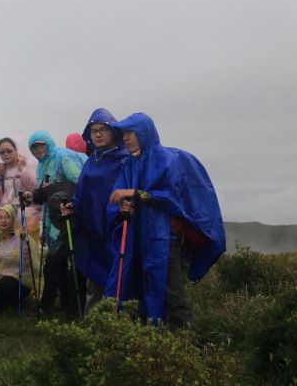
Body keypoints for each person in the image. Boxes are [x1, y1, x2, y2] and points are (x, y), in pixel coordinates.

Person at [107, 113, 225, 329]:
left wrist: (135, 193)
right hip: (137, 235)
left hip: (163, 237)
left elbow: (171, 198)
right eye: (123, 133)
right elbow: (119, 195)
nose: (125, 138)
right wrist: (125, 204)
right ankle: (151, 335)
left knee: (170, 289)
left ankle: (187, 340)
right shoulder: (129, 163)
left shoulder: (166, 160)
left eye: (130, 132)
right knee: (140, 285)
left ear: (144, 132)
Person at [60, 109, 130, 312]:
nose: (98, 134)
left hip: (116, 229)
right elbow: (82, 192)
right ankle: (92, 325)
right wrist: (73, 205)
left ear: (113, 131)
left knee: (118, 280)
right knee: (95, 281)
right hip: (92, 231)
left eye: (103, 130)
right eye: (93, 131)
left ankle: (119, 328)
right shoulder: (91, 161)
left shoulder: (124, 160)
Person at [25, 130, 86, 318]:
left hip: (69, 218)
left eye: (41, 145)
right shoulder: (43, 166)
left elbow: (78, 182)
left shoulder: (62, 157)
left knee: (58, 265)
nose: (37, 149)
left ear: (49, 144)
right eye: (34, 147)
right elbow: (46, 192)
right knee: (57, 266)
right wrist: (33, 195)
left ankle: (61, 308)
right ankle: (64, 306)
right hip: (54, 221)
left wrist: (67, 202)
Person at [0, 205, 33, 312]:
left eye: (7, 217)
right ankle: (8, 301)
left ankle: (16, 300)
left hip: (21, 281)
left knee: (6, 283)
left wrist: (25, 240)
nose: (3, 220)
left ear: (13, 218)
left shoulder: (21, 236)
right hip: (0, 281)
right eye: (0, 218)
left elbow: (29, 261)